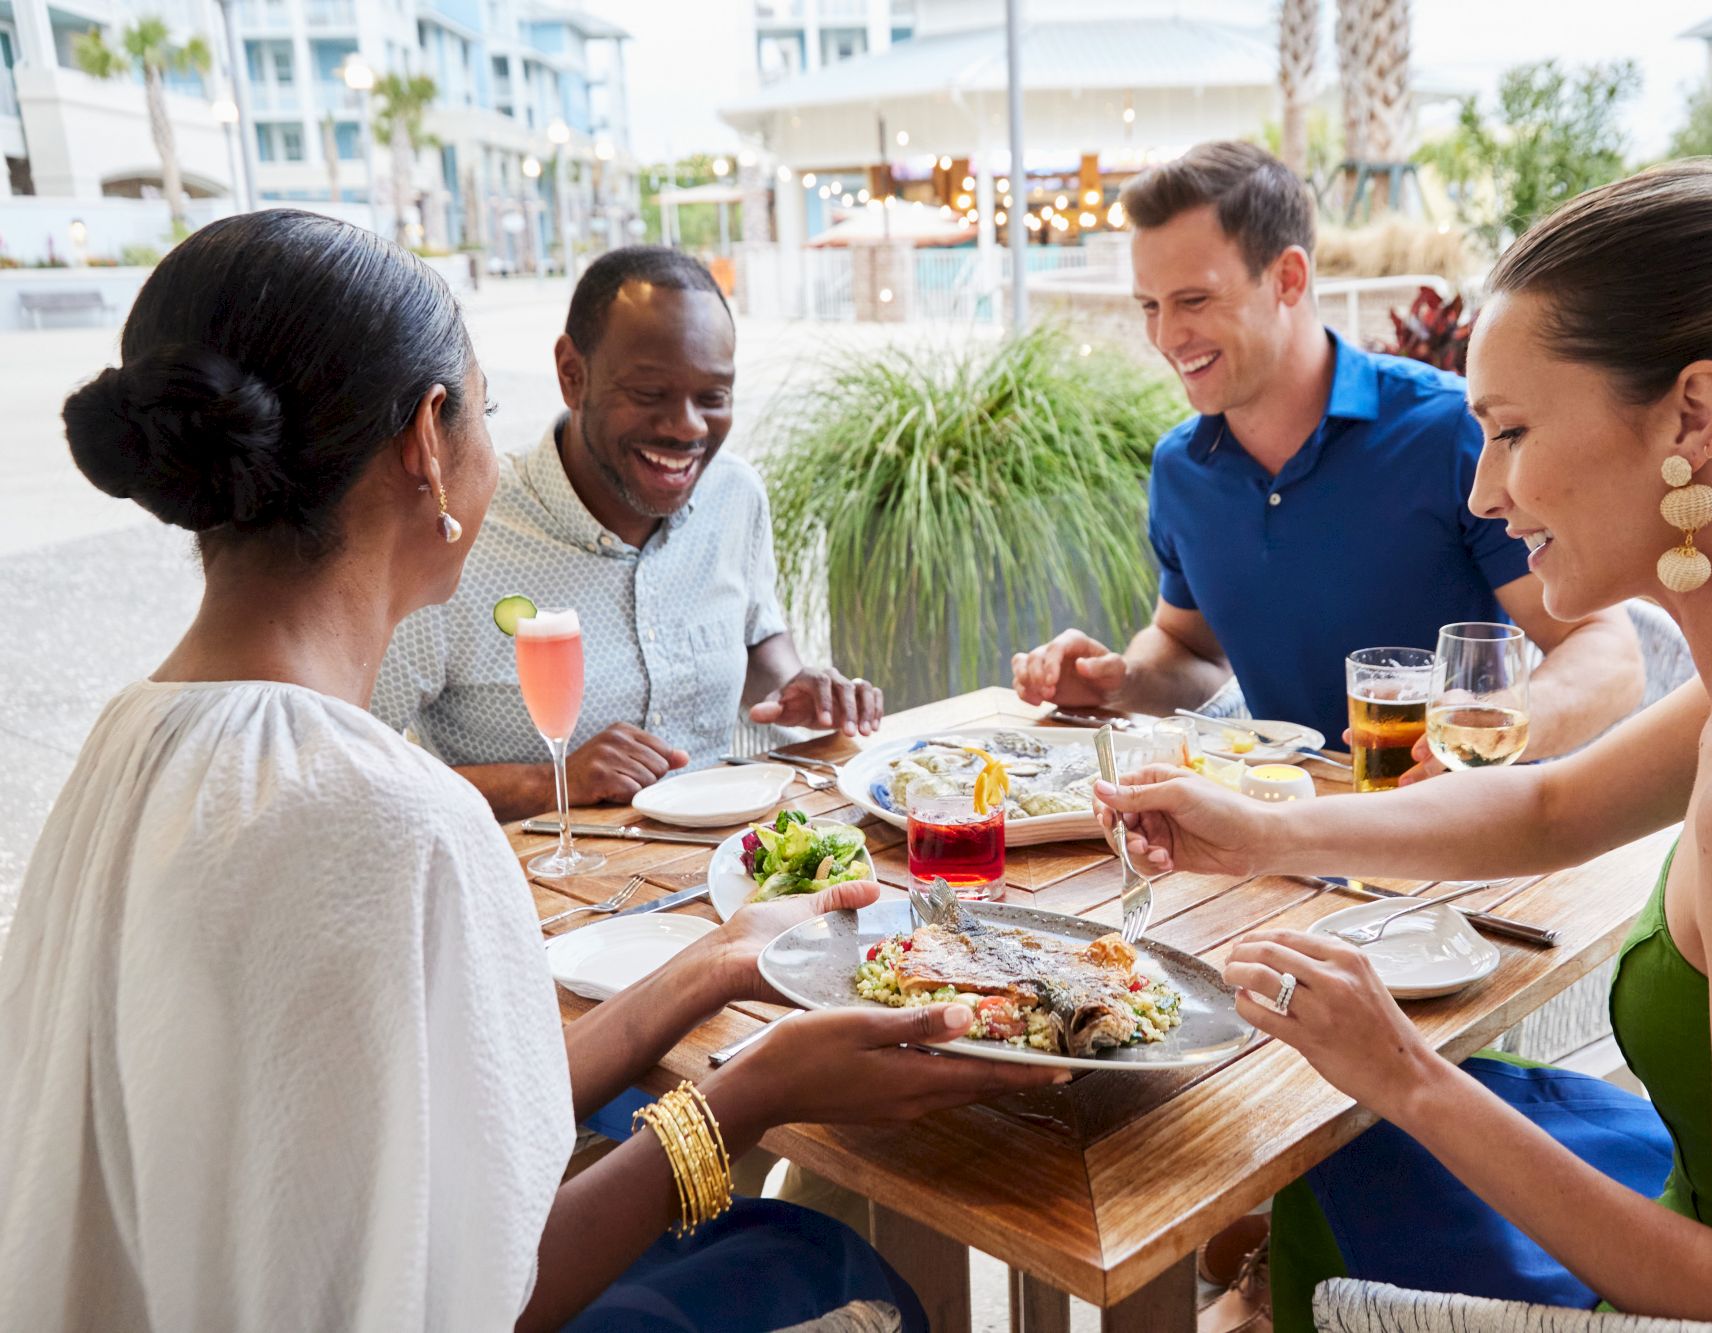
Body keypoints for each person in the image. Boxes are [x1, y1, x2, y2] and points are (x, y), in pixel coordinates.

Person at [0, 210, 1059, 1331]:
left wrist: (706, 967)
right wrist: (757, 1088)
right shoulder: (399, 822)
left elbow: (466, 1129)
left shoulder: (130, 743)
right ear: (426, 441)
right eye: (486, 414)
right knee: (826, 1266)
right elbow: (490, 1288)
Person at [1095, 163, 1712, 1331]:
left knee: (1348, 1153)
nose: (1480, 492)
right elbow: (1548, 808)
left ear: (1691, 415)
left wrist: (1403, 1075)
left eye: (1512, 431)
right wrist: (1263, 829)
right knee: (1337, 1166)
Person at [1011, 141, 1642, 780]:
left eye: (1194, 301)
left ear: (1289, 277)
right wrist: (1119, 680)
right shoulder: (1180, 469)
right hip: (1275, 832)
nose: (1166, 336)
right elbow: (1191, 651)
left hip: (1454, 838)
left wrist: (1484, 734)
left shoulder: (1449, 430)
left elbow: (1608, 652)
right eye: (1150, 306)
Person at [372, 247, 882, 822]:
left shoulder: (735, 495)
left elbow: (756, 634)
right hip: (541, 893)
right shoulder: (460, 534)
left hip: (724, 872)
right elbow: (361, 771)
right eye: (649, 395)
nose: (688, 427)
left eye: (713, 398)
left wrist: (796, 683)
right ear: (572, 375)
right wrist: (553, 782)